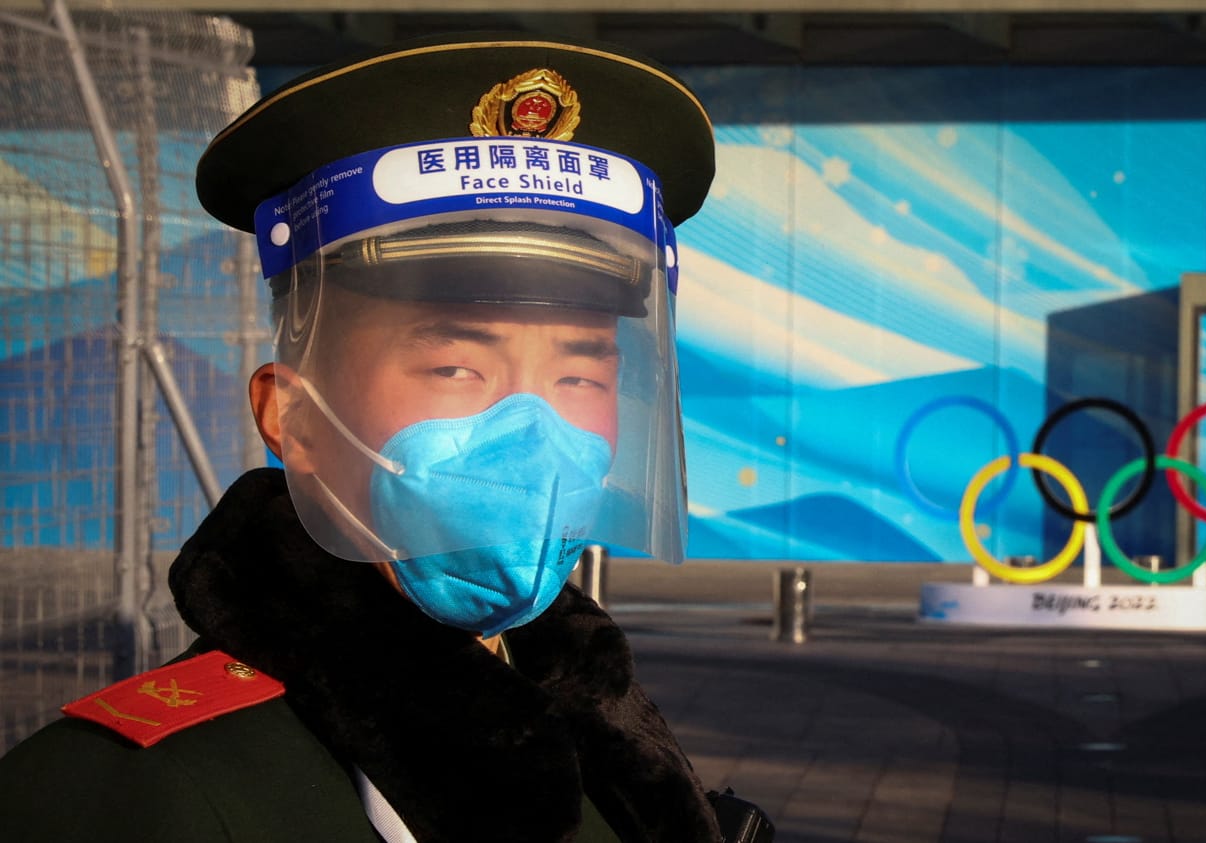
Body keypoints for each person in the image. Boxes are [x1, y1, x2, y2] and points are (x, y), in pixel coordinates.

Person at [0, 31, 739, 842]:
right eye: (456, 367)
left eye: (581, 376)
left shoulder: (607, 747)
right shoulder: (133, 795)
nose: (535, 434)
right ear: (295, 417)